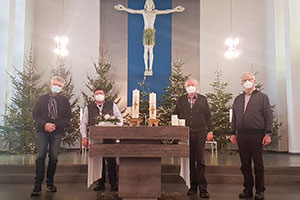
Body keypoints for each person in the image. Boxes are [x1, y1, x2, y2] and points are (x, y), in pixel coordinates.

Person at [230, 72, 272, 200]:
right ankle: (247, 189)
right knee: (245, 164)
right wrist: (232, 133)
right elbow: (234, 117)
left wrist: (268, 133)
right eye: (244, 80)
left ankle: (260, 190)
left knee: (258, 163)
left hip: (256, 134)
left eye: (249, 79)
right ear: (242, 83)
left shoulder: (262, 97)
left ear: (254, 81)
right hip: (242, 135)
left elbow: (268, 116)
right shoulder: (238, 99)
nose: (247, 81)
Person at [114, 0, 184, 76]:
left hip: (152, 32)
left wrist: (175, 9)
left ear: (153, 5)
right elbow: (133, 11)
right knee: (145, 50)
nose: (149, 4)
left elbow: (166, 11)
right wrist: (124, 8)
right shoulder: (144, 12)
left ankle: (150, 69)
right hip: (146, 32)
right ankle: (146, 69)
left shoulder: (155, 12)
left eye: (151, 3)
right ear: (146, 4)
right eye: (148, 3)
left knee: (150, 51)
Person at [31, 76, 71, 196]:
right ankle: (37, 186)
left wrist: (54, 125)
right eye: (55, 84)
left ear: (62, 88)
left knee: (53, 157)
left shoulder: (65, 101)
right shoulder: (42, 99)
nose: (56, 87)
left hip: (57, 132)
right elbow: (35, 115)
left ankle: (50, 183)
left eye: (59, 86)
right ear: (50, 85)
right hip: (42, 131)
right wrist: (45, 124)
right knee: (40, 156)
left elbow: (68, 118)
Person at [173, 78, 214, 198]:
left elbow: (208, 116)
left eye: (192, 85)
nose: (190, 86)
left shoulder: (202, 99)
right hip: (186, 133)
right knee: (190, 160)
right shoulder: (181, 100)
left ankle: (203, 188)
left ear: (196, 87)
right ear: (185, 87)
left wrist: (210, 131)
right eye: (188, 85)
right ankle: (193, 187)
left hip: (200, 132)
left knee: (200, 160)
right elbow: (175, 114)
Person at [80, 88, 123, 191]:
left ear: (105, 95)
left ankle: (114, 183)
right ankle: (100, 182)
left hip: (109, 136)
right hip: (96, 137)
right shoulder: (89, 107)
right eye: (97, 94)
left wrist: (117, 125)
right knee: (99, 160)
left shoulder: (112, 105)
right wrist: (84, 137)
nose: (99, 95)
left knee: (111, 159)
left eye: (101, 94)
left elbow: (120, 118)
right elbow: (84, 123)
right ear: (94, 96)